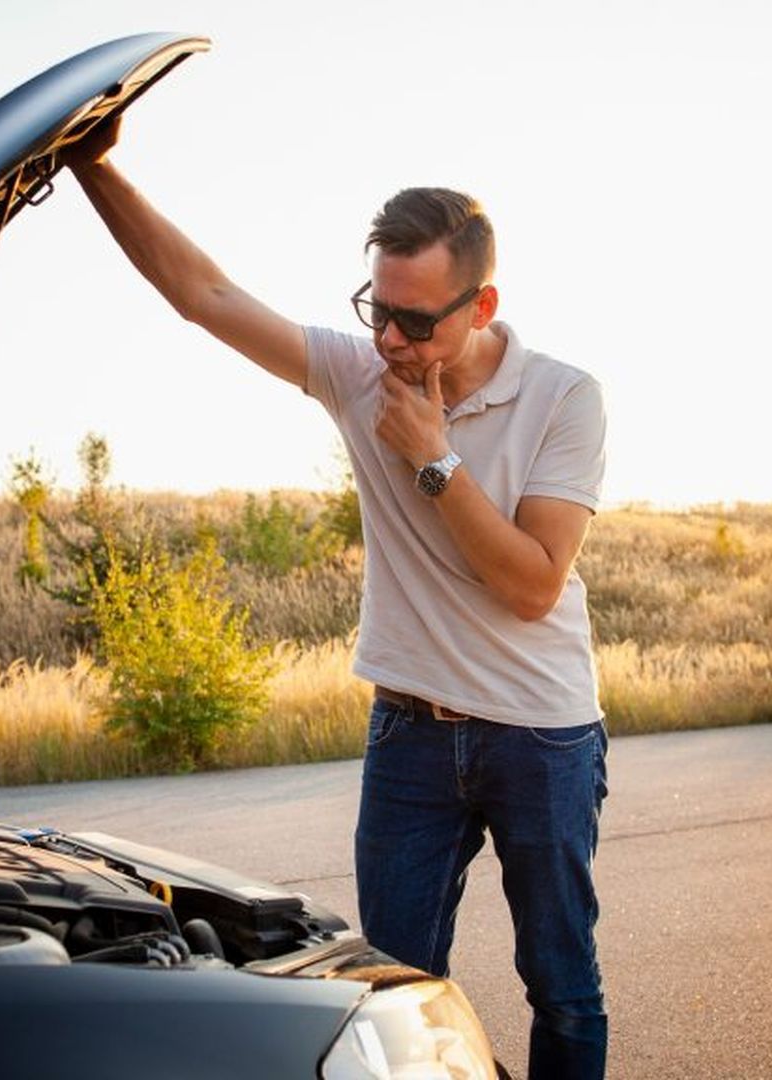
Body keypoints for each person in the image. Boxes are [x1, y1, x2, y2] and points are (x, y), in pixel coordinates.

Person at [65, 117, 611, 1079]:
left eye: (415, 321)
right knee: (386, 991)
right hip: (409, 736)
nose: (390, 340)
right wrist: (92, 165)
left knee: (560, 986)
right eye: (376, 311)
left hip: (540, 735)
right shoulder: (360, 371)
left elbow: (532, 585)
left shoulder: (565, 397)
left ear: (482, 304)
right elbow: (204, 296)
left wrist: (432, 457)